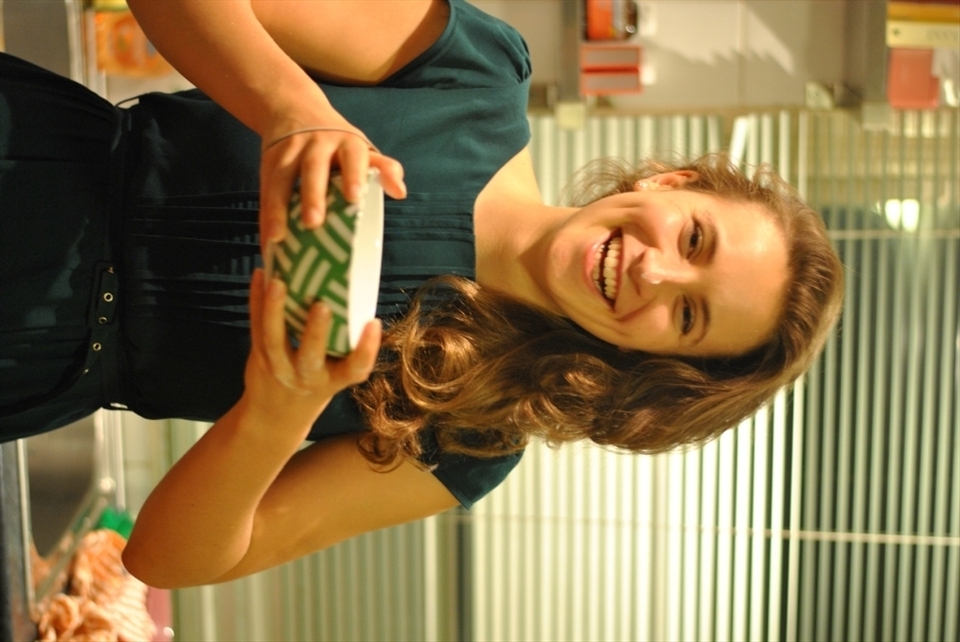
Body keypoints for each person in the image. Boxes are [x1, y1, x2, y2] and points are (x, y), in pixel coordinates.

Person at [0, 0, 843, 589]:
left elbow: (167, 559)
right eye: (694, 239)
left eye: (687, 316)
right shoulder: (476, 77)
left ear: (654, 361)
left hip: (27, 355)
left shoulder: (474, 437)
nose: (655, 274)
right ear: (673, 182)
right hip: (28, 149)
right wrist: (292, 109)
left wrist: (275, 415)